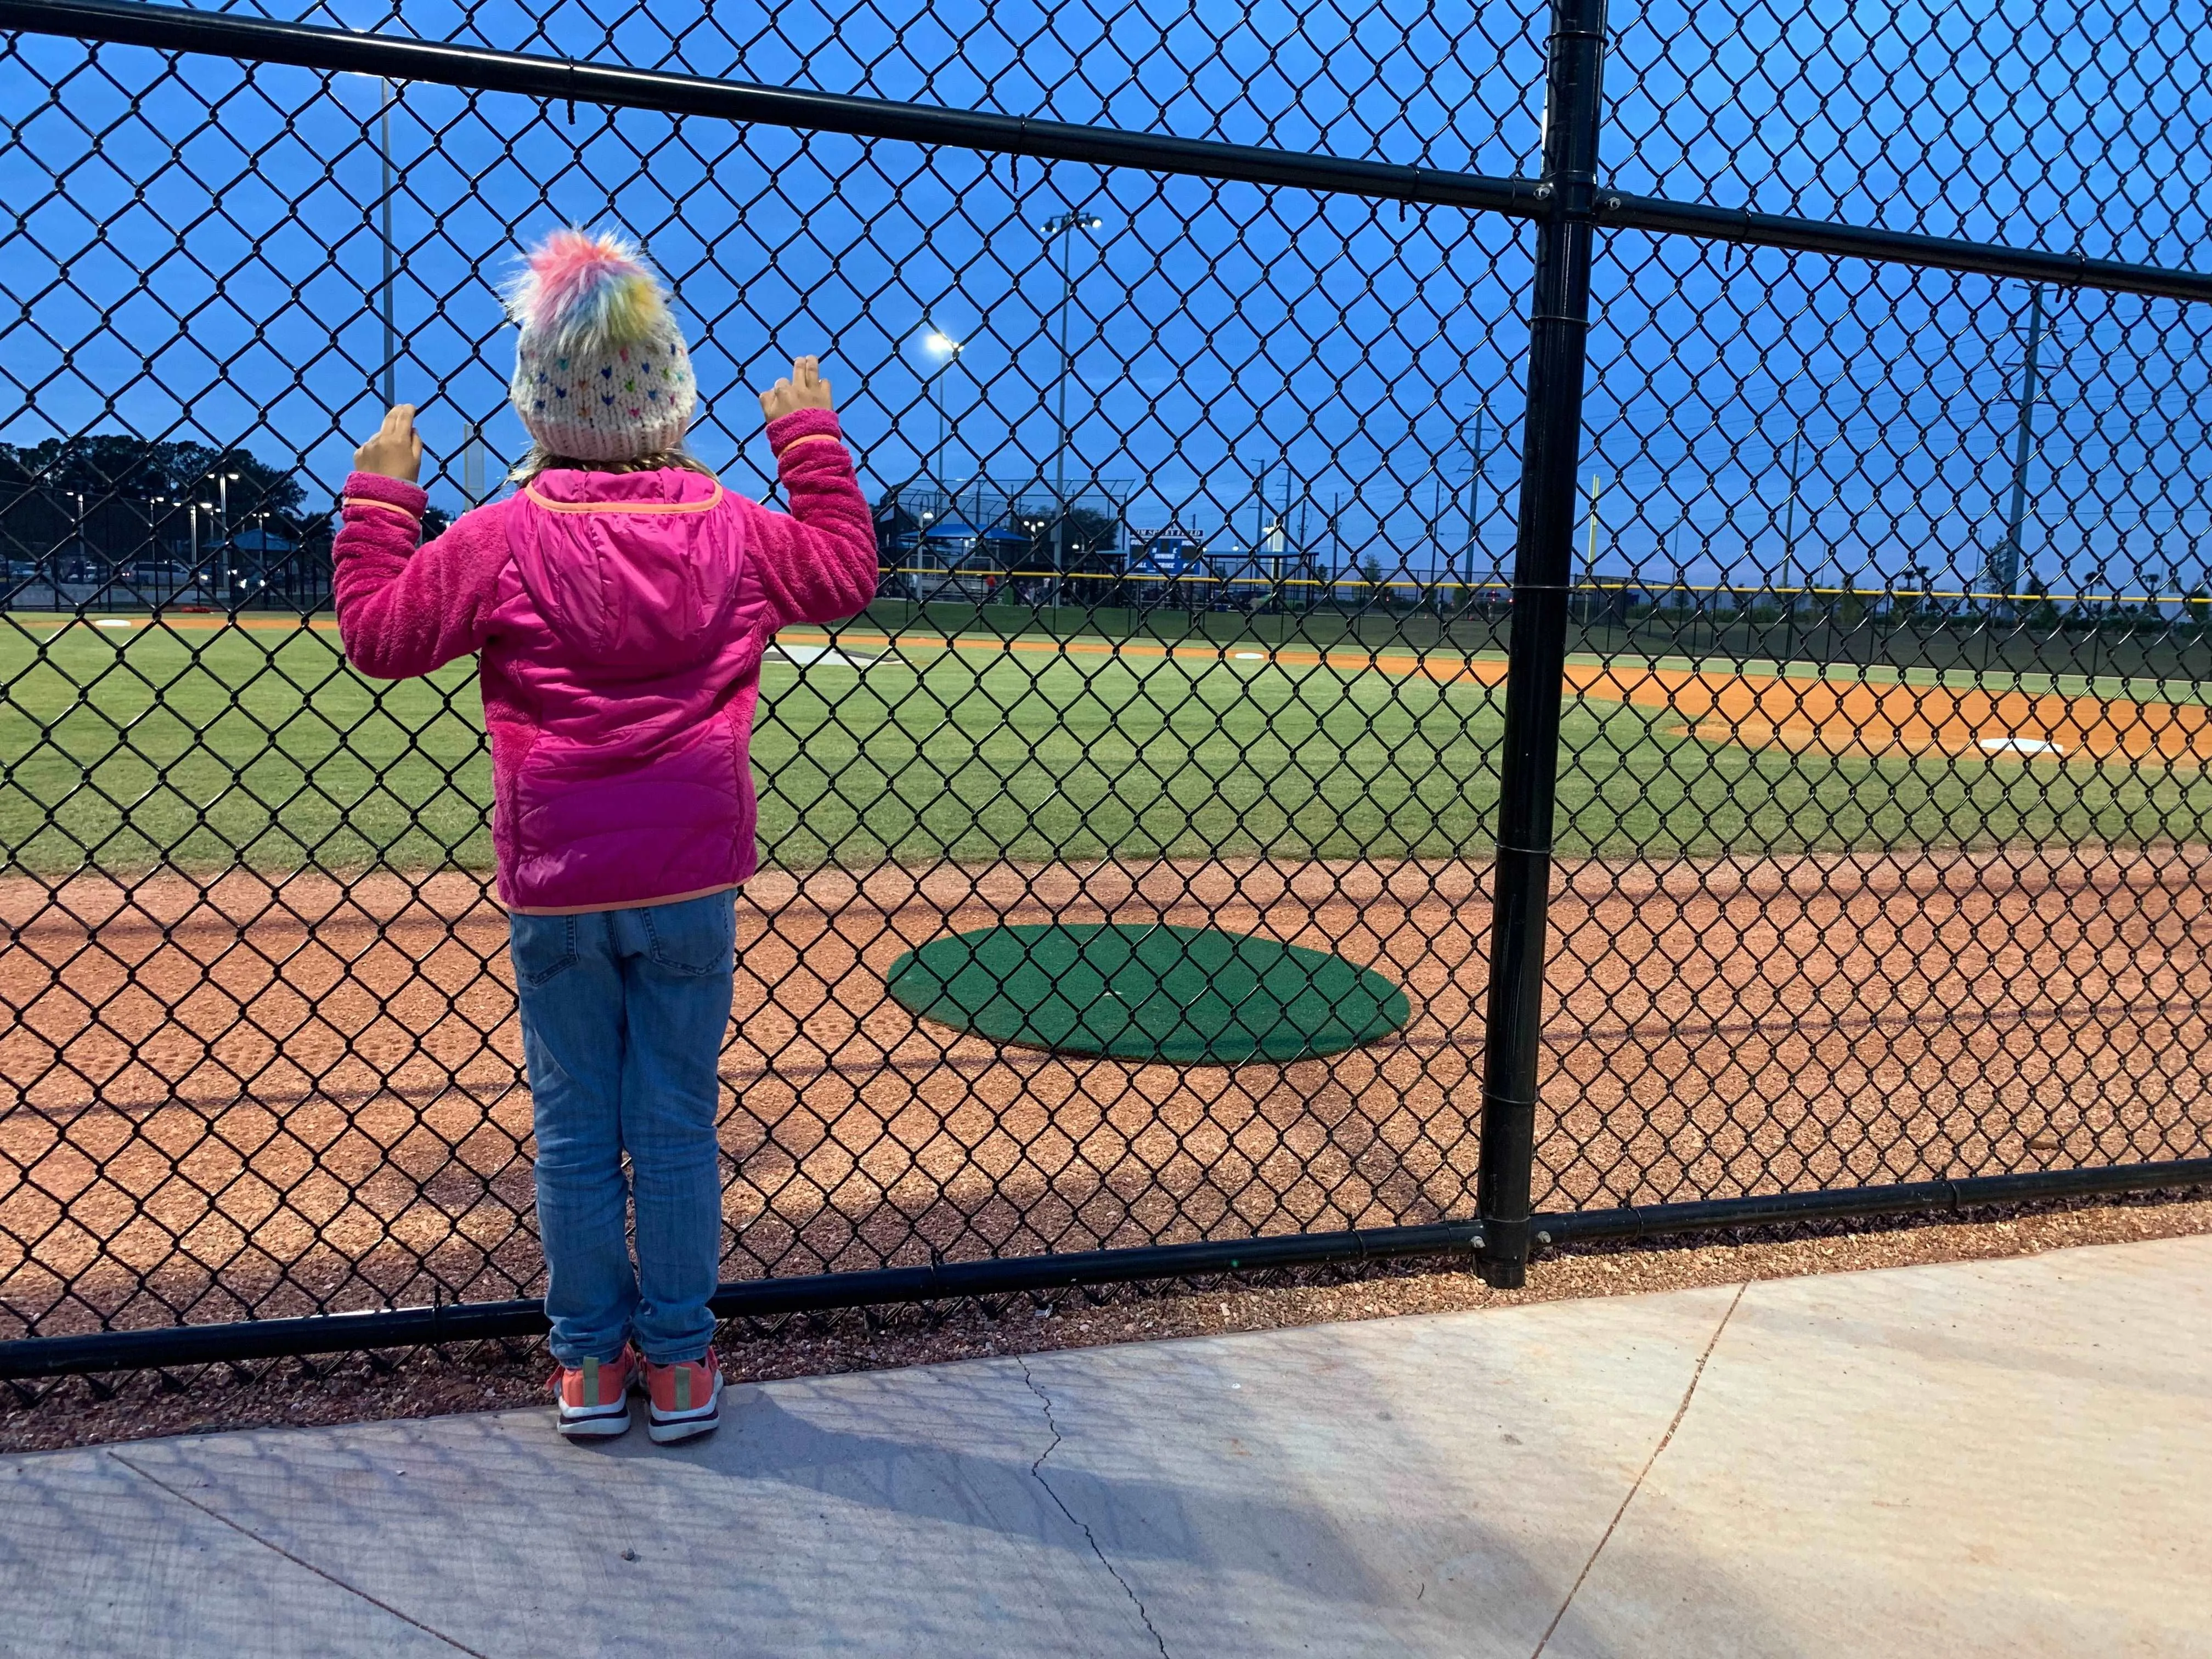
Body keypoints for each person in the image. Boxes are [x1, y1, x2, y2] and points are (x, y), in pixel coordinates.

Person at [334, 227, 877, 1444]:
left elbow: (376, 636)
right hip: (690, 872)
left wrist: (380, 492)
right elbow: (843, 572)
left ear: (536, 402)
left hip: (560, 878)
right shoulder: (734, 528)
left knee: (577, 1130)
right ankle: (680, 1368)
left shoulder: (498, 538)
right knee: (676, 1123)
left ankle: (588, 1366)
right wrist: (809, 440)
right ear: (673, 397)